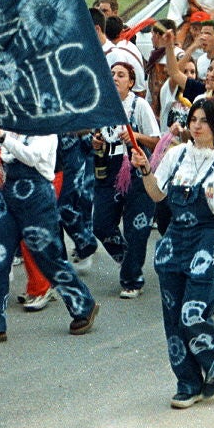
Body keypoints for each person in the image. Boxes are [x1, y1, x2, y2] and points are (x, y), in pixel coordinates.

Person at [131, 97, 214, 408]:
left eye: (203, 121)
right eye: (193, 119)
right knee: (173, 321)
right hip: (173, 243)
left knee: (191, 313)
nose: (196, 126)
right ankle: (187, 382)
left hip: (208, 243)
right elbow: (158, 194)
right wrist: (145, 171)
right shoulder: (176, 154)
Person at [0, 125, 99, 344]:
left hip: (37, 198)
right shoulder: (13, 129)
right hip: (8, 197)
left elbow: (30, 157)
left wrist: (3, 136)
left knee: (49, 259)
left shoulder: (45, 130)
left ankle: (84, 304)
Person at [91, 60, 160, 299]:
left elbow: (157, 141)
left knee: (136, 227)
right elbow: (94, 136)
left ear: (131, 82)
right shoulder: (102, 106)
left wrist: (136, 137)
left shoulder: (139, 106)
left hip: (135, 169)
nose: (115, 78)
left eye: (121, 75)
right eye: (111, 74)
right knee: (100, 223)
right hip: (107, 170)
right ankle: (127, 260)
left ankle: (132, 278)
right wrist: (95, 141)